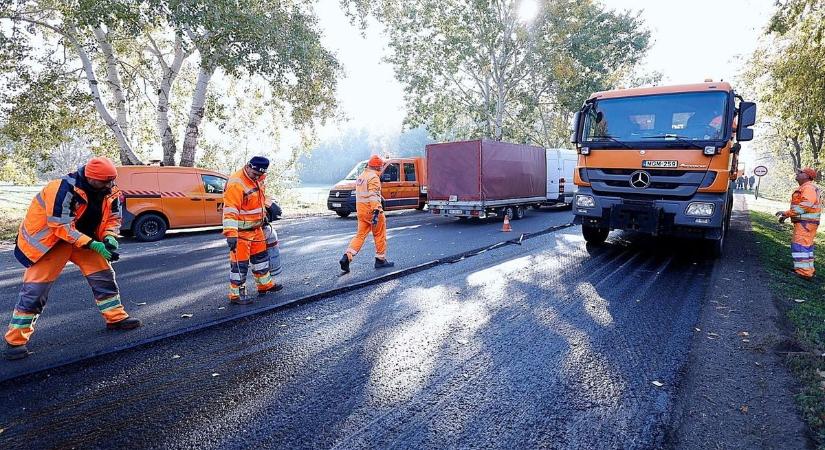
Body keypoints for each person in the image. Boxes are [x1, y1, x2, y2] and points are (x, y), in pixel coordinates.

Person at [4, 157, 141, 360]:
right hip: (52, 243)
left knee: (104, 277)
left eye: (112, 180)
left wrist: (110, 238)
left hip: (83, 240)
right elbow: (61, 226)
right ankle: (15, 341)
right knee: (35, 291)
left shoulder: (111, 191)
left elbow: (114, 218)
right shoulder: (61, 189)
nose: (110, 185)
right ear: (90, 178)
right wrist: (94, 244)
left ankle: (116, 318)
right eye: (105, 181)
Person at [222, 156, 283, 304]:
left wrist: (269, 205)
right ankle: (236, 295)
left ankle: (264, 285)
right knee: (239, 265)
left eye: (259, 175)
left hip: (257, 229)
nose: (256, 177)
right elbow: (230, 210)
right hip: (241, 233)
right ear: (248, 166)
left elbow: (258, 198)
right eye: (254, 174)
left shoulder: (258, 177)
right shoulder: (236, 183)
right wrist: (231, 234)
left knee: (261, 260)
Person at [339, 155, 394, 273]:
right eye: (381, 166)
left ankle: (347, 257)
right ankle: (380, 260)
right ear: (378, 167)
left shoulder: (361, 177)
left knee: (360, 236)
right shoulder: (373, 178)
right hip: (373, 211)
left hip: (362, 212)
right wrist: (377, 210)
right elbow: (373, 196)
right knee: (379, 235)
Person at [776, 167, 821, 280]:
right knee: (806, 247)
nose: (797, 173)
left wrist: (787, 213)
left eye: (800, 172)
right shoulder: (807, 187)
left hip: (805, 223)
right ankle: (808, 270)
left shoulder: (808, 188)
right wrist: (787, 215)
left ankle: (804, 273)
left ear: (807, 176)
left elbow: (805, 205)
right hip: (806, 223)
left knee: (800, 247)